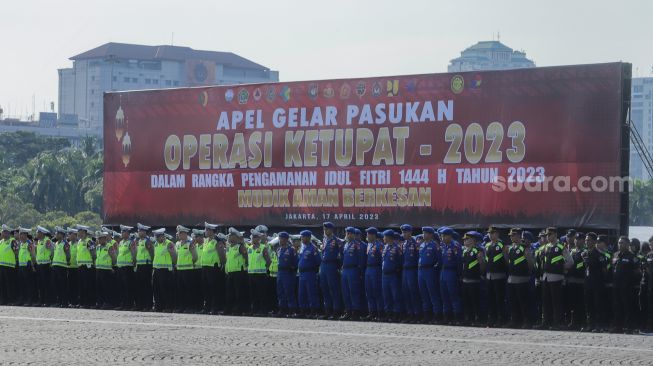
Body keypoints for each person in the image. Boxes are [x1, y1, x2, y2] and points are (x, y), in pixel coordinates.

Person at [536, 227, 572, 330]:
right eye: (547, 234)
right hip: (546, 277)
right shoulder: (545, 247)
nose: (548, 236)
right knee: (546, 301)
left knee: (557, 301)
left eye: (550, 234)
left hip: (556, 277)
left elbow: (570, 262)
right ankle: (546, 322)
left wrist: (560, 268)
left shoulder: (561, 247)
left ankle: (558, 322)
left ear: (555, 234)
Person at [610, 236, 640, 333]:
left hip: (627, 286)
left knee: (627, 306)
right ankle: (617, 326)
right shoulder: (615, 255)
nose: (620, 244)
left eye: (622, 243)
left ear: (627, 245)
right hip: (616, 285)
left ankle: (628, 327)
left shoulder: (632, 257)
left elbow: (638, 272)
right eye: (619, 243)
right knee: (616, 306)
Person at [506, 228, 534, 328]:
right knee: (513, 301)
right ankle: (515, 320)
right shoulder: (510, 248)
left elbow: (530, 263)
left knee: (524, 302)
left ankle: (527, 321)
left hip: (522, 278)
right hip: (511, 278)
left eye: (513, 235)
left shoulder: (524, 247)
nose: (511, 237)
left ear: (519, 236)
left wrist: (528, 273)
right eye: (510, 235)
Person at [581, 232, 607, 332]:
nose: (587, 242)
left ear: (595, 241)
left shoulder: (599, 254)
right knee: (588, 305)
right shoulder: (585, 253)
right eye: (586, 240)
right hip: (588, 283)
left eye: (589, 240)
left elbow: (604, 270)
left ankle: (599, 325)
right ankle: (590, 325)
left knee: (598, 305)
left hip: (597, 283)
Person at [484, 226, 508, 327]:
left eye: (493, 233)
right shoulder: (487, 245)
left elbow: (506, 260)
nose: (490, 235)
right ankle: (492, 319)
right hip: (489, 275)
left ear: (497, 234)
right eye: (489, 233)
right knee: (490, 299)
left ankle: (501, 319)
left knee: (499, 299)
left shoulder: (502, 244)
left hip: (499, 275)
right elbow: (486, 259)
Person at [417, 226, 441, 324]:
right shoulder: (422, 245)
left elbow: (439, 259)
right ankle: (427, 315)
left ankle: (437, 316)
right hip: (421, 271)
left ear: (431, 234)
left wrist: (435, 269)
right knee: (424, 294)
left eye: (426, 233)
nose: (424, 235)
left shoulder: (435, 245)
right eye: (423, 233)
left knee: (433, 294)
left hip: (430, 270)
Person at [201, 223, 227, 314]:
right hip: (205, 267)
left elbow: (222, 256)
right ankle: (207, 307)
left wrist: (222, 265)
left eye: (207, 230)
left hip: (214, 268)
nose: (205, 231)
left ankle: (215, 307)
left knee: (215, 289)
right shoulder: (206, 240)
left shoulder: (217, 241)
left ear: (212, 231)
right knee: (206, 289)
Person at [319, 222, 343, 320]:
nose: (325, 231)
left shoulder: (337, 241)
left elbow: (342, 255)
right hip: (324, 265)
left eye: (327, 229)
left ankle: (336, 311)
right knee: (324, 289)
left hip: (332, 265)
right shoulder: (324, 240)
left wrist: (338, 266)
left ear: (331, 230)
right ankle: (327, 311)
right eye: (324, 229)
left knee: (333, 289)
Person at [439, 227, 462, 324]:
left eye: (444, 236)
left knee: (453, 295)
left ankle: (457, 317)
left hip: (452, 272)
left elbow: (458, 261)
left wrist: (459, 274)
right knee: (444, 296)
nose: (442, 238)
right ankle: (447, 317)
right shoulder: (443, 245)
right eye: (441, 236)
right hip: (443, 272)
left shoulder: (455, 245)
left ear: (449, 236)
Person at [461, 231, 485, 326]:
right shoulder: (465, 250)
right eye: (465, 239)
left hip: (474, 280)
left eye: (467, 239)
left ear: (473, 240)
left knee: (475, 301)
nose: (465, 241)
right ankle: (469, 318)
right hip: (465, 280)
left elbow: (482, 264)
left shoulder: (478, 250)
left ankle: (478, 319)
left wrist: (480, 274)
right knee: (466, 301)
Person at [341, 227, 365, 320]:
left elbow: (361, 258)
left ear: (354, 235)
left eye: (350, 233)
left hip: (353, 269)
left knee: (353, 291)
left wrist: (360, 271)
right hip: (345, 270)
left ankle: (356, 311)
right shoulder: (346, 244)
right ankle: (348, 311)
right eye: (347, 233)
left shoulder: (357, 244)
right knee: (345, 291)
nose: (348, 235)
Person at [297, 230, 321, 318]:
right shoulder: (303, 248)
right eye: (301, 236)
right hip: (302, 274)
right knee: (302, 293)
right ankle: (303, 311)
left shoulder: (313, 248)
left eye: (303, 237)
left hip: (310, 273)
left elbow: (318, 261)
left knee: (311, 293)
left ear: (308, 237)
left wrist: (312, 268)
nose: (302, 238)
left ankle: (314, 311)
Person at [225, 227, 248, 315]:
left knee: (239, 292)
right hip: (231, 272)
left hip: (239, 272)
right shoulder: (229, 247)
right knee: (230, 292)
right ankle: (230, 309)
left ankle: (239, 309)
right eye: (229, 235)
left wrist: (245, 266)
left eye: (231, 235)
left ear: (236, 237)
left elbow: (246, 257)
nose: (229, 237)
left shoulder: (240, 247)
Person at [152, 228, 176, 312]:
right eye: (156, 237)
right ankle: (159, 306)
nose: (156, 239)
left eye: (158, 237)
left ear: (162, 236)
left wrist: (173, 266)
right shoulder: (156, 244)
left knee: (166, 290)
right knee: (156, 289)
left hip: (166, 270)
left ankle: (168, 307)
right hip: (157, 270)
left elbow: (175, 257)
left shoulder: (169, 244)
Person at [247, 229, 271, 315]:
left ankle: (263, 310)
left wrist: (265, 269)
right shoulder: (249, 248)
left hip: (260, 274)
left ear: (259, 238)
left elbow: (268, 261)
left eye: (255, 237)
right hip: (251, 274)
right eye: (252, 237)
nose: (253, 239)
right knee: (253, 294)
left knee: (262, 293)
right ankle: (255, 309)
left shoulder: (263, 247)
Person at [566, 229, 586, 330]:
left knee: (580, 303)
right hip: (571, 280)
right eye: (576, 239)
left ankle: (581, 323)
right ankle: (573, 322)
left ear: (583, 241)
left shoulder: (585, 252)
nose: (577, 241)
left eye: (579, 239)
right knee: (572, 303)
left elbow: (581, 266)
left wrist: (571, 269)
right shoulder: (572, 251)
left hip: (580, 281)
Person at [400, 224, 421, 323]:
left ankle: (417, 314)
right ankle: (409, 313)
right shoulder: (404, 244)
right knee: (406, 292)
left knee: (413, 292)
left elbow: (418, 258)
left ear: (410, 232)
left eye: (405, 232)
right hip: (405, 270)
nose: (403, 234)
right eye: (403, 232)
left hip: (412, 270)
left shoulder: (415, 243)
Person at [174, 225, 197, 313]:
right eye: (178, 233)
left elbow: (195, 257)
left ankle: (190, 307)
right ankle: (182, 307)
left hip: (188, 270)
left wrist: (190, 263)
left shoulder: (190, 243)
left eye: (180, 233)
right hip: (179, 270)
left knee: (189, 290)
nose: (178, 234)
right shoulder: (178, 244)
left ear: (184, 234)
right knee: (180, 289)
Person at [275, 232, 298, 317]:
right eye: (279, 239)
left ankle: (292, 311)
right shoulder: (279, 249)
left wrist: (292, 270)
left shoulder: (291, 250)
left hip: (288, 273)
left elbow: (296, 262)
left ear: (286, 239)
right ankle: (282, 310)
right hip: (280, 272)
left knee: (289, 292)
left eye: (281, 239)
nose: (280, 240)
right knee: (280, 292)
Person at [382, 229, 402, 322]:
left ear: (389, 237)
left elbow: (399, 261)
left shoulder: (396, 247)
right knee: (386, 295)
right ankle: (388, 313)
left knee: (395, 295)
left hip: (393, 275)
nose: (383, 238)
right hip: (385, 275)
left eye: (385, 237)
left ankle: (397, 314)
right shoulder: (385, 247)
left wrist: (395, 270)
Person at [134, 223, 154, 311]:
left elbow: (152, 253)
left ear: (144, 232)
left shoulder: (147, 241)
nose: (138, 232)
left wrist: (152, 265)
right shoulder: (138, 241)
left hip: (146, 266)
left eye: (140, 231)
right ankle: (140, 305)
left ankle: (148, 305)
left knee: (146, 286)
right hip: (139, 266)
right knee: (139, 286)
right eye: (138, 231)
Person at [116, 225, 136, 310]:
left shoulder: (131, 242)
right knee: (121, 286)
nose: (122, 233)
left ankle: (129, 304)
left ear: (127, 233)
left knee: (128, 287)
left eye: (123, 232)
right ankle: (123, 304)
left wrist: (134, 263)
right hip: (120, 267)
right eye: (121, 232)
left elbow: (134, 254)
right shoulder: (121, 242)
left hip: (127, 268)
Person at [94, 231, 117, 309]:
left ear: (105, 238)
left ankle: (108, 303)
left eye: (101, 238)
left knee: (107, 288)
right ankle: (100, 302)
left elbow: (113, 258)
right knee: (99, 287)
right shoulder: (98, 247)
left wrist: (113, 267)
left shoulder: (109, 246)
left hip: (106, 270)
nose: (100, 240)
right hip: (99, 269)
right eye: (99, 239)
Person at [75, 225, 95, 308]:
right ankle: (82, 302)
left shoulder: (89, 241)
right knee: (81, 285)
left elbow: (93, 254)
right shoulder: (79, 241)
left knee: (87, 285)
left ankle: (88, 303)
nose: (79, 234)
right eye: (78, 232)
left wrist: (92, 264)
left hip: (87, 267)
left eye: (81, 232)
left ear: (84, 233)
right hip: (80, 266)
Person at [51, 227, 70, 307]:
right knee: (56, 285)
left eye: (57, 233)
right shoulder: (56, 243)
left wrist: (67, 262)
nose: (56, 234)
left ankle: (64, 302)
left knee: (63, 285)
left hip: (62, 267)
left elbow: (68, 255)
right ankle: (59, 301)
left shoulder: (65, 243)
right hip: (55, 266)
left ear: (61, 235)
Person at [34, 226, 54, 306]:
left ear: (42, 233)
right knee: (40, 284)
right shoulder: (39, 241)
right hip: (39, 265)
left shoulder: (47, 241)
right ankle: (41, 301)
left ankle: (47, 301)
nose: (36, 234)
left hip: (46, 265)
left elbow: (52, 251)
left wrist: (50, 260)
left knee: (46, 284)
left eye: (38, 232)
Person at [16, 228, 35, 306]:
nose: (20, 236)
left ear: (25, 235)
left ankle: (29, 300)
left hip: (27, 266)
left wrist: (33, 265)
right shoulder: (20, 243)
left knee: (28, 284)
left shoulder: (29, 243)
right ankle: (22, 299)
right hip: (21, 266)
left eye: (21, 234)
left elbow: (33, 255)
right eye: (20, 234)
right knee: (22, 284)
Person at [0, 224, 18, 305]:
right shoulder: (1, 242)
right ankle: (3, 300)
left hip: (10, 267)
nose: (1, 234)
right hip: (1, 266)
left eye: (3, 232)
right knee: (2, 284)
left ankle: (11, 300)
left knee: (10, 284)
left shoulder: (12, 241)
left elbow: (16, 252)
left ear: (7, 233)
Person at [66, 228, 79, 307]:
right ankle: (71, 301)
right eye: (69, 234)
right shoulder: (68, 244)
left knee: (76, 286)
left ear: (75, 235)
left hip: (77, 267)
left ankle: (76, 302)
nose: (69, 236)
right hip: (69, 267)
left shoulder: (78, 244)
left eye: (71, 234)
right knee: (70, 286)